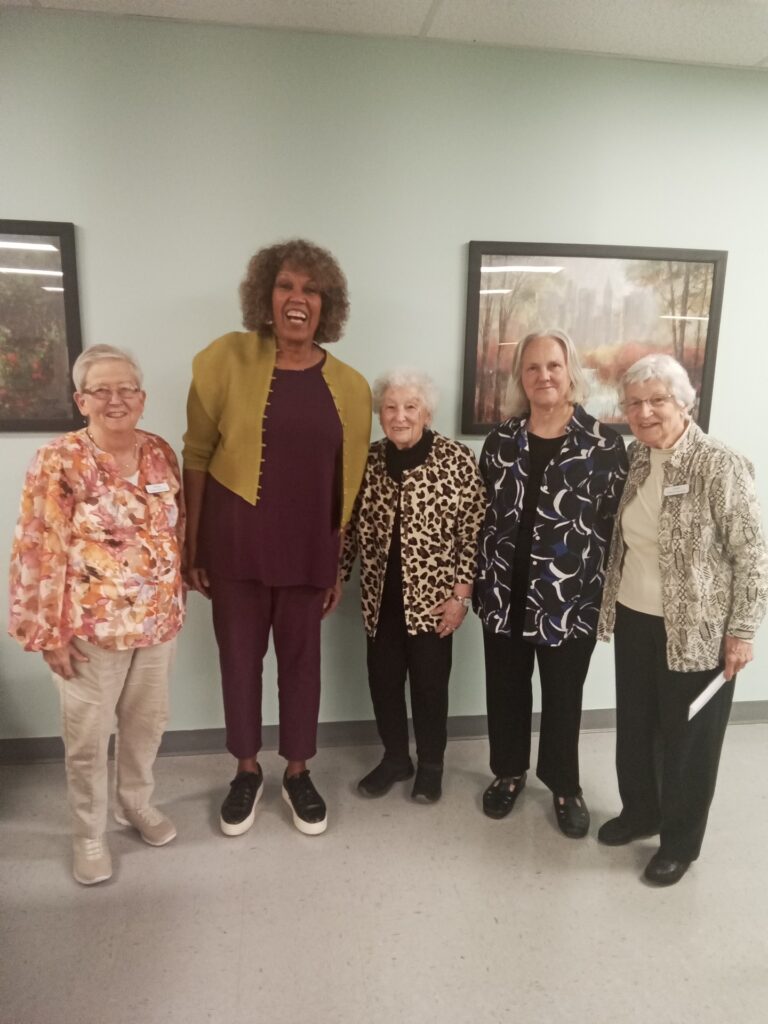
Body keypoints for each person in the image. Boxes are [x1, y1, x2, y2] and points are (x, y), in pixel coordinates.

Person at [183, 238, 371, 838]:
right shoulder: (224, 359)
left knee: (301, 665)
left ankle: (297, 771)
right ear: (265, 296)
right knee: (239, 662)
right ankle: (245, 770)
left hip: (309, 547)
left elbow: (350, 481)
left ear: (327, 305)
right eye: (286, 285)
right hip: (234, 545)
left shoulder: (351, 385)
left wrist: (335, 564)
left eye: (311, 290)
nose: (298, 298)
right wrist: (192, 549)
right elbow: (196, 455)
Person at [8, 344, 184, 885]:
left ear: (142, 397)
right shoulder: (59, 460)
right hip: (87, 631)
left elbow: (175, 530)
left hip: (156, 624)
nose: (116, 399)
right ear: (81, 400)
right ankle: (88, 832)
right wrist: (47, 634)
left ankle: (135, 804)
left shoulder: (159, 452)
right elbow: (37, 548)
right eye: (102, 390)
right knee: (87, 739)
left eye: (126, 388)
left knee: (145, 727)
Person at [597, 353, 768, 885]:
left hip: (699, 631)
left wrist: (741, 633)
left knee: (690, 741)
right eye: (634, 403)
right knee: (637, 727)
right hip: (635, 617)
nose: (644, 412)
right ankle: (641, 812)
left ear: (684, 401)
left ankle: (680, 842)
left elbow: (754, 555)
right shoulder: (639, 458)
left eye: (657, 400)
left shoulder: (720, 463)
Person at [474, 329, 628, 837]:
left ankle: (565, 785)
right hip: (502, 596)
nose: (544, 376)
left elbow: (616, 529)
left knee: (564, 697)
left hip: (569, 601)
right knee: (506, 690)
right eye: (533, 367)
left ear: (570, 373)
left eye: (553, 366)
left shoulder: (604, 445)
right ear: (521, 377)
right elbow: (484, 519)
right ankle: (509, 773)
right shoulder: (500, 443)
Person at [341, 370, 486, 802]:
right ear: (380, 413)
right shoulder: (369, 460)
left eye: (410, 407)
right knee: (382, 682)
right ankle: (395, 759)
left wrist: (461, 597)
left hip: (434, 600)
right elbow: (348, 531)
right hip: (379, 598)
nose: (400, 416)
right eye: (390, 407)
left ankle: (432, 765)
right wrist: (332, 579)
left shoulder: (455, 458)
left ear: (426, 412)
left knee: (429, 685)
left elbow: (473, 532)